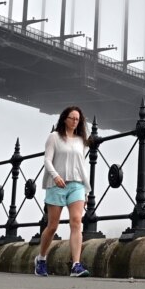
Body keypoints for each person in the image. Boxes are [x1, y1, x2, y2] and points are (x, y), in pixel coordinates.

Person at [34, 106, 91, 278]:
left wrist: (86, 191)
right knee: (52, 226)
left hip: (77, 185)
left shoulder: (81, 140)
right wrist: (55, 176)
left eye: (77, 119)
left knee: (76, 221)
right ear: (64, 119)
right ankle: (41, 259)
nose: (75, 121)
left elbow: (82, 166)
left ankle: (76, 265)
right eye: (72, 118)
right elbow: (47, 160)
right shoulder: (54, 137)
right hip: (56, 184)